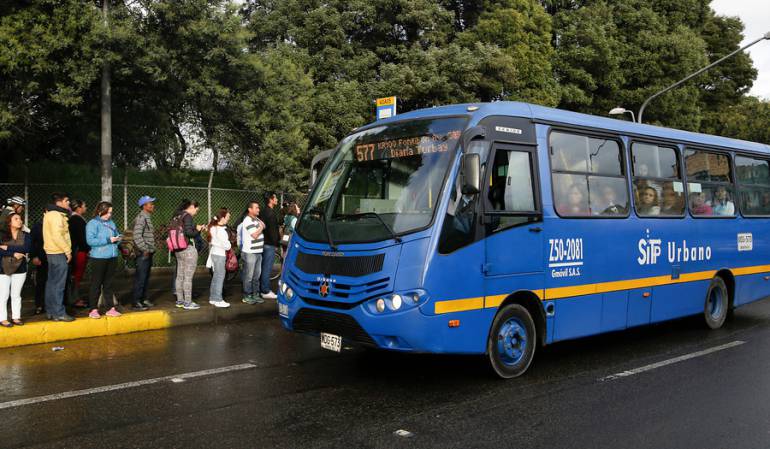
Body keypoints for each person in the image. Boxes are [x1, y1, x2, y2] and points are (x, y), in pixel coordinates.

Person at [85, 202, 122, 319]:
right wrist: (108, 240)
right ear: (100, 211)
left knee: (109, 284)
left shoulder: (111, 222)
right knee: (96, 284)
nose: (109, 215)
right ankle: (93, 309)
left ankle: (110, 308)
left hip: (112, 257)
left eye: (110, 213)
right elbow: (90, 241)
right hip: (98, 258)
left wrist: (119, 239)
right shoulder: (92, 223)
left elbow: (116, 235)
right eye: (107, 213)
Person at [44, 192, 74, 322]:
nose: (69, 203)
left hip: (52, 252)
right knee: (59, 284)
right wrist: (67, 251)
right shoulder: (56, 215)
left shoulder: (50, 214)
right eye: (66, 201)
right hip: (58, 252)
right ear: (59, 202)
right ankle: (59, 313)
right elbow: (57, 235)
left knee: (52, 283)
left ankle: (51, 311)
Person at [0, 213, 31, 327]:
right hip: (3, 268)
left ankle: (16, 317)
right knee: (3, 295)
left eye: (20, 219)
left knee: (16, 294)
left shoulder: (26, 235)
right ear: (9, 222)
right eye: (16, 219)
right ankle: (3, 318)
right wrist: (13, 253)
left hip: (20, 268)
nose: (20, 221)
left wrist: (8, 247)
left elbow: (26, 248)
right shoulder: (2, 235)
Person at [173, 200, 205, 310]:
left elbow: (183, 229)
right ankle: (188, 302)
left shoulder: (177, 216)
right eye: (196, 210)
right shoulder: (188, 216)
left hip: (177, 249)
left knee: (179, 276)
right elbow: (189, 233)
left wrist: (194, 226)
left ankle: (180, 301)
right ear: (191, 207)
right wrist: (198, 230)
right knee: (188, 277)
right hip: (188, 250)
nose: (196, 212)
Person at [237, 201, 265, 305]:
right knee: (249, 276)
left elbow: (264, 225)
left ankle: (255, 294)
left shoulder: (256, 219)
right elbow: (255, 235)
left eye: (258, 208)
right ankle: (247, 295)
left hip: (258, 251)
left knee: (256, 276)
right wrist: (261, 227)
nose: (258, 209)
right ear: (250, 209)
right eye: (256, 208)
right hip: (250, 252)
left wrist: (261, 226)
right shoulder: (247, 220)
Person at [132, 195, 157, 310]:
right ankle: (136, 302)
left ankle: (143, 299)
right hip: (143, 253)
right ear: (144, 206)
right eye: (150, 203)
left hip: (148, 252)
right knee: (141, 278)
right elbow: (137, 236)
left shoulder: (147, 217)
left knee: (145, 277)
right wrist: (145, 249)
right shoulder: (141, 217)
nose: (153, 205)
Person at [206, 208, 232, 308]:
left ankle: (213, 298)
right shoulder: (221, 231)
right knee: (220, 277)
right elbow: (227, 246)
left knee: (216, 277)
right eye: (228, 216)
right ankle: (218, 299)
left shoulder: (213, 227)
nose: (229, 218)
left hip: (214, 254)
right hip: (220, 255)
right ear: (222, 218)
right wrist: (229, 244)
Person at [258, 192, 280, 300]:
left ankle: (260, 289)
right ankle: (265, 290)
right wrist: (276, 243)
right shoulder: (270, 213)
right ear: (271, 200)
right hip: (269, 244)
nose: (277, 199)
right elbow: (273, 231)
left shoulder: (262, 211)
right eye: (275, 198)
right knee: (267, 268)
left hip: (262, 242)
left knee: (261, 268)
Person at [68, 199, 90, 307]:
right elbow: (81, 238)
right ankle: (74, 299)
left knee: (76, 275)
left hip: (78, 250)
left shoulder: (75, 219)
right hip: (79, 251)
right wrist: (87, 249)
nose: (86, 208)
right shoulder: (76, 220)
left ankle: (74, 298)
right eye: (84, 206)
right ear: (78, 208)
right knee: (77, 275)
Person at [30, 209, 47, 315]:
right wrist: (34, 256)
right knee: (41, 282)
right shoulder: (38, 226)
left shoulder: (55, 225)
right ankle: (39, 305)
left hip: (53, 257)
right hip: (42, 258)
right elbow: (32, 242)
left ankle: (50, 304)